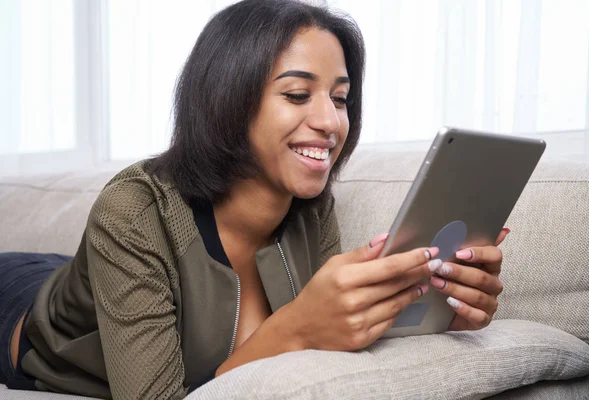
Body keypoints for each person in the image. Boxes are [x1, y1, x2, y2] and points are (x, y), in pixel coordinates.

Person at [0, 0, 508, 398]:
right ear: (228, 100)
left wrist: (434, 310)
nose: (331, 123)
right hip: (18, 303)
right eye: (296, 94)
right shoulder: (134, 211)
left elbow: (329, 340)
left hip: (88, 274)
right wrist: (296, 327)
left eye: (339, 98)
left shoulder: (311, 205)